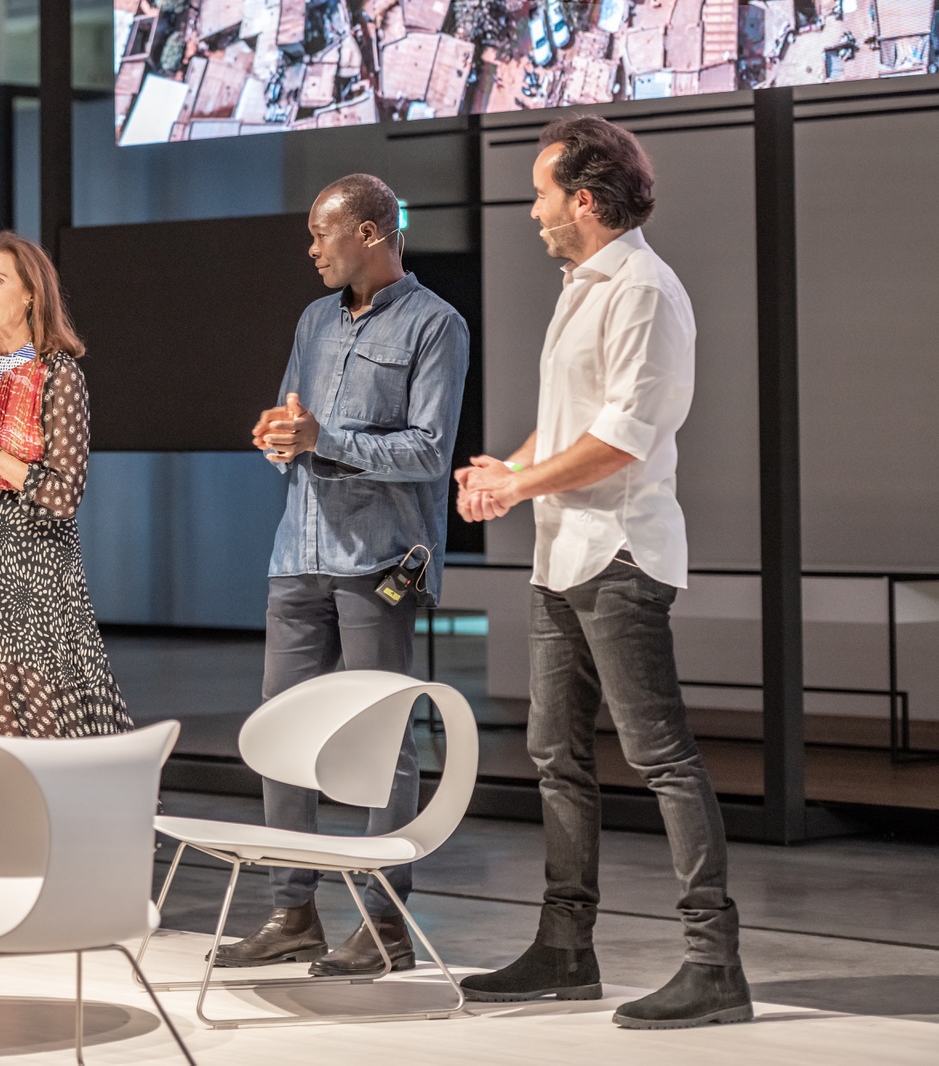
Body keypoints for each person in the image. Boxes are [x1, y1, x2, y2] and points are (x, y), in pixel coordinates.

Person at [454, 115, 752, 1029]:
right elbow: (571, 421)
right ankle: (565, 950)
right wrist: (508, 470)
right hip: (562, 553)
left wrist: (517, 484)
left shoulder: (644, 291)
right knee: (555, 755)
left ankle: (715, 963)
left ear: (583, 200)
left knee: (660, 756)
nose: (533, 211)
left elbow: (624, 438)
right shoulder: (582, 286)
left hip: (619, 553)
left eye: (541, 194)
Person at [217, 175, 468, 976]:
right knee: (278, 735)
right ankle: (292, 912)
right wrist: (278, 434)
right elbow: (294, 419)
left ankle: (384, 923)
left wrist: (324, 439)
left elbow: (429, 451)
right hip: (297, 556)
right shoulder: (314, 320)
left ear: (368, 233)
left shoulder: (436, 324)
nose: (312, 250)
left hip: (378, 562)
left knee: (379, 740)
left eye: (321, 234)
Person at [0, 232, 132, 738]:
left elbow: (63, 495)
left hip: (36, 563)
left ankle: (68, 791)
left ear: (31, 294)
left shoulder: (58, 374)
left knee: (46, 715)